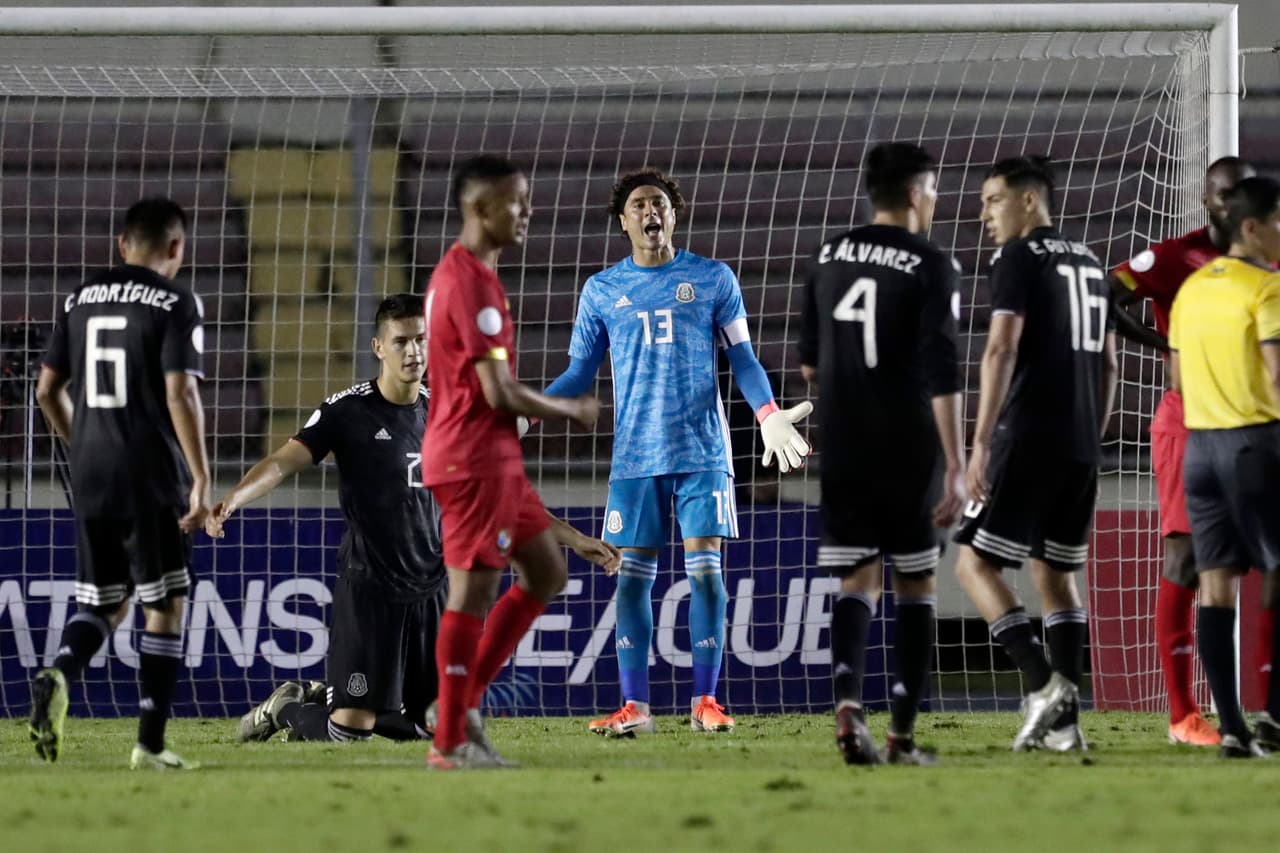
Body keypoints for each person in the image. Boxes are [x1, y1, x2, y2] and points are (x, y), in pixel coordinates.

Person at [207, 294, 620, 744]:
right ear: (378, 347)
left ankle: (331, 698)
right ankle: (288, 707)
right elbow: (284, 462)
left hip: (434, 590)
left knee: (437, 723)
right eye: (401, 341)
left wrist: (573, 538)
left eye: (421, 339)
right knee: (351, 733)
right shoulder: (347, 411)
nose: (413, 351)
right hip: (371, 588)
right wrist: (232, 498)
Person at [543, 166, 812, 737]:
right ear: (624, 220)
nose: (650, 211)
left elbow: (742, 358)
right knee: (632, 579)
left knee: (706, 574)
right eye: (639, 204)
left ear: (674, 214)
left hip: (702, 450)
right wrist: (529, 408)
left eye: (659, 203)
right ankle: (636, 708)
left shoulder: (713, 278)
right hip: (635, 456)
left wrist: (767, 416)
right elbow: (578, 374)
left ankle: (706, 701)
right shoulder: (601, 290)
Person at [422, 154, 600, 770]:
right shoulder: (469, 282)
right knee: (473, 591)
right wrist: (570, 409)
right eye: (515, 202)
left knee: (546, 573)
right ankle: (447, 737)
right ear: (478, 208)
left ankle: (462, 703)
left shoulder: (471, 275)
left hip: (494, 455)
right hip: (473, 457)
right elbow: (497, 393)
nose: (527, 212)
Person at [798, 142, 965, 765]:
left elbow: (810, 365)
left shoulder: (827, 256)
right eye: (934, 190)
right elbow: (942, 369)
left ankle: (847, 707)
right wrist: (956, 461)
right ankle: (900, 736)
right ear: (918, 192)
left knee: (856, 578)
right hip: (909, 441)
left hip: (843, 441)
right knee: (916, 581)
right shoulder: (930, 262)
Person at [29, 198, 209, 770]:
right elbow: (181, 392)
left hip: (90, 469)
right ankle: (150, 747)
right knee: (166, 604)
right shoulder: (176, 299)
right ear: (176, 247)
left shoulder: (79, 297)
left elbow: (45, 392)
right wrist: (202, 476)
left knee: (106, 603)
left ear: (121, 242)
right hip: (149, 470)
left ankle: (60, 669)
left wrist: (82, 444)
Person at [953, 156, 1118, 752]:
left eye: (993, 199)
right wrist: (1090, 438)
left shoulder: (1017, 258)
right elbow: (1108, 362)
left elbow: (1000, 349)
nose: (984, 214)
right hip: (1080, 444)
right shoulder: (1092, 262)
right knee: (1056, 575)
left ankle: (1041, 682)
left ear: (1028, 201)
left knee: (973, 563)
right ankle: (1067, 726)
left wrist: (979, 442)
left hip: (1027, 437)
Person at [1110, 157, 1271, 747]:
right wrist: (1165, 343)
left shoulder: (1268, 258)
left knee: (1262, 566)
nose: (1232, 204)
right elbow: (1107, 292)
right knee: (1185, 562)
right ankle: (1184, 714)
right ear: (1207, 201)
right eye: (1223, 195)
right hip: (1190, 421)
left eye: (1241, 194)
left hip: (1254, 422)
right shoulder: (1174, 257)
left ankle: (1263, 713)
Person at [1167, 175, 1280, 758]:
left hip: (1201, 450)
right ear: (1253, 227)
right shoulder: (1267, 290)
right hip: (1255, 443)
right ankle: (1274, 715)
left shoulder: (1192, 290)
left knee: (1215, 588)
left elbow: (1178, 379)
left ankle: (1232, 728)